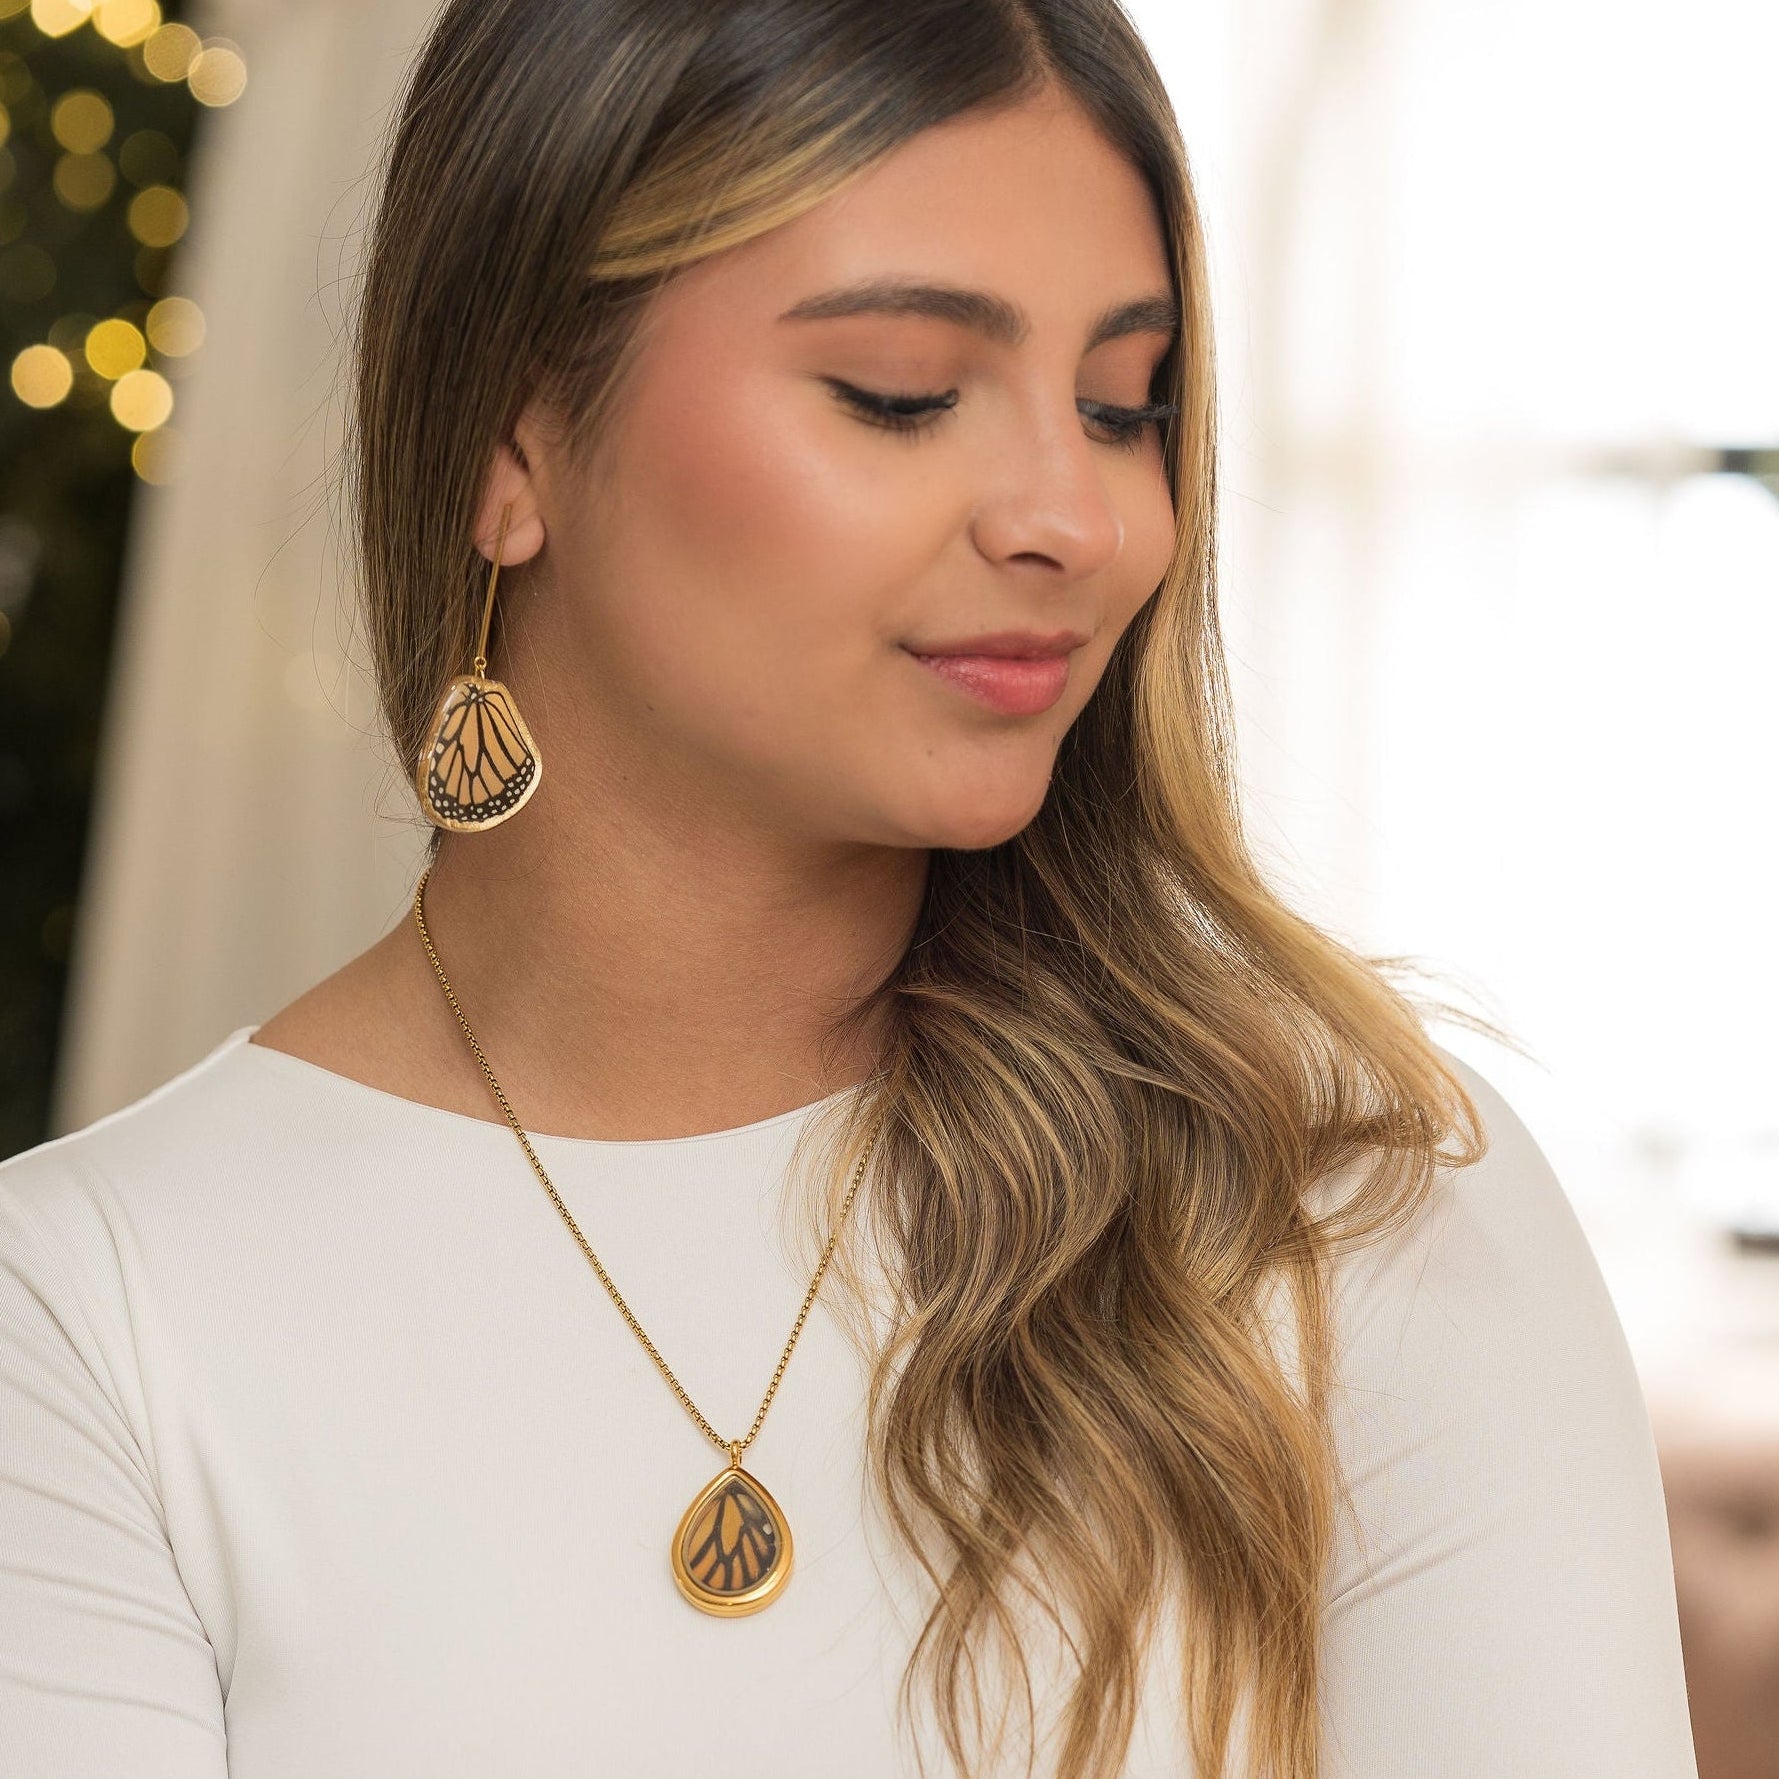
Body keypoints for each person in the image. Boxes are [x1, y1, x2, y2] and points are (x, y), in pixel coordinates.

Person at [0, 2, 1698, 1775]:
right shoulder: (88, 1326)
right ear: (511, 438)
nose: (1079, 518)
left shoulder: (1355, 1214)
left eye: (1125, 404)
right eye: (902, 392)